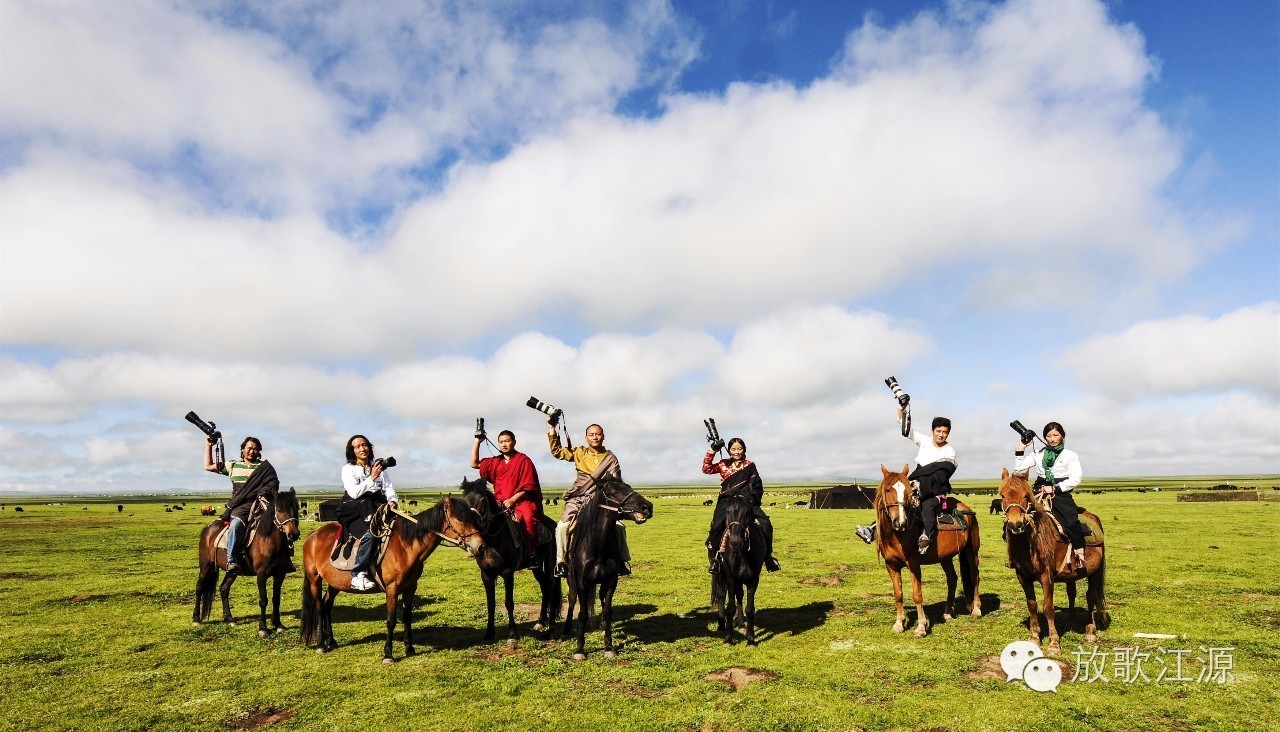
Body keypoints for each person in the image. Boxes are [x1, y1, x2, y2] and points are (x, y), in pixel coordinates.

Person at [855, 408, 956, 555]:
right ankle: (872, 530)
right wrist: (901, 410)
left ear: (948, 433)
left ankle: (926, 537)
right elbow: (906, 430)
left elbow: (941, 476)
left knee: (928, 506)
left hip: (935, 489)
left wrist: (921, 486)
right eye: (938, 431)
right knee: (897, 504)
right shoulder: (925, 442)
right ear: (933, 430)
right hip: (915, 482)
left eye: (945, 432)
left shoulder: (949, 451)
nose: (941, 434)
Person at [547, 419, 630, 578]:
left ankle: (622, 562)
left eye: (598, 434)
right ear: (586, 438)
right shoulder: (579, 452)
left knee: (619, 527)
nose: (595, 437)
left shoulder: (611, 458)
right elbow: (557, 451)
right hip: (578, 498)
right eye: (591, 435)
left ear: (603, 436)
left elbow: (615, 483)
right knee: (562, 527)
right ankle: (561, 563)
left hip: (602, 501)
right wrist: (552, 428)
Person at [702, 438, 781, 573]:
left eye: (739, 449)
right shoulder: (723, 464)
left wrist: (747, 498)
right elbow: (706, 469)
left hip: (747, 501)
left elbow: (757, 486)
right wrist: (713, 450)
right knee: (716, 527)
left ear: (744, 449)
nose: (736, 452)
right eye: (733, 449)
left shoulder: (749, 466)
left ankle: (767, 557)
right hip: (727, 502)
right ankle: (716, 558)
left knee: (766, 524)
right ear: (729, 450)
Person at [1014, 421, 1086, 570]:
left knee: (1071, 522)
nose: (1052, 439)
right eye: (1048, 435)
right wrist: (1021, 446)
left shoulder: (1070, 455)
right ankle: (1015, 556)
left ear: (1063, 437)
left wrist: (1055, 488)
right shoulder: (1037, 454)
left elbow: (1076, 478)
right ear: (1045, 438)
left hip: (1060, 493)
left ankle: (1080, 556)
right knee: (1015, 518)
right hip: (1038, 492)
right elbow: (1018, 468)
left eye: (1056, 435)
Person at [204, 435, 277, 573]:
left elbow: (273, 484)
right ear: (242, 449)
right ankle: (231, 560)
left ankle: (284, 559)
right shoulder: (233, 465)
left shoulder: (264, 467)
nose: (252, 451)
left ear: (259, 451)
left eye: (255, 449)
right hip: (240, 507)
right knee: (236, 525)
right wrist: (209, 445)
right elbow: (208, 466)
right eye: (249, 448)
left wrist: (263, 493)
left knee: (282, 524)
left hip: (260, 505)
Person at [471, 428, 545, 562]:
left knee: (527, 519)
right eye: (501, 442)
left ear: (514, 442)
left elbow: (529, 486)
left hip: (521, 501)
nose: (504, 444)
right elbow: (474, 463)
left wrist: (512, 500)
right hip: (499, 502)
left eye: (507, 441)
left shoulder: (524, 460)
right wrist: (477, 442)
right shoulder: (495, 462)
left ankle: (531, 553)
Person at [336, 435, 397, 591]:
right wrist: (372, 478)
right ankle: (358, 575)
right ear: (352, 451)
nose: (362, 449)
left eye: (364, 445)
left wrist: (392, 500)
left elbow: (388, 486)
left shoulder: (377, 466)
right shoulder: (348, 469)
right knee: (370, 533)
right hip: (355, 508)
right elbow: (354, 492)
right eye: (357, 447)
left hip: (378, 505)